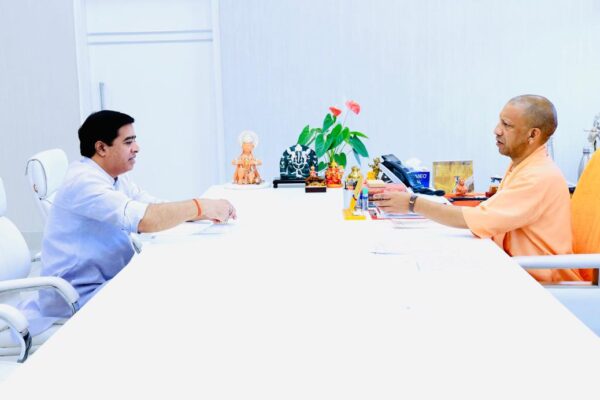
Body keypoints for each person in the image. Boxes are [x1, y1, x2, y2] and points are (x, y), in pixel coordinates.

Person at [21, 110, 237, 335]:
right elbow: (145, 220)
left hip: (107, 279)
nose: (137, 148)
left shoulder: (113, 175)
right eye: (128, 142)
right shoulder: (84, 183)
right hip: (80, 295)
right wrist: (200, 206)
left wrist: (204, 211)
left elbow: (151, 206)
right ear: (101, 148)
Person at [373, 95, 580, 283]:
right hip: (518, 267)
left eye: (507, 125)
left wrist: (412, 203)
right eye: (500, 121)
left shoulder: (538, 176)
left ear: (532, 135)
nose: (497, 130)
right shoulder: (523, 165)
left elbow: (480, 219)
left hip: (542, 280)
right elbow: (491, 213)